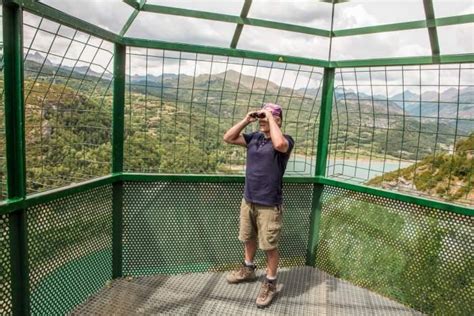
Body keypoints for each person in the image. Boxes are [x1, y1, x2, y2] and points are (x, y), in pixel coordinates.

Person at [223, 102, 294, 308]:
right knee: (248, 237)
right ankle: (248, 269)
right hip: (249, 200)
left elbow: (280, 145)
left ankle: (271, 283)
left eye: (269, 117)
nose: (263, 120)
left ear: (278, 120)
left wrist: (270, 117)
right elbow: (228, 137)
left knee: (269, 246)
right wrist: (247, 119)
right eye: (262, 117)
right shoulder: (254, 138)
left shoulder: (285, 140)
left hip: (269, 205)